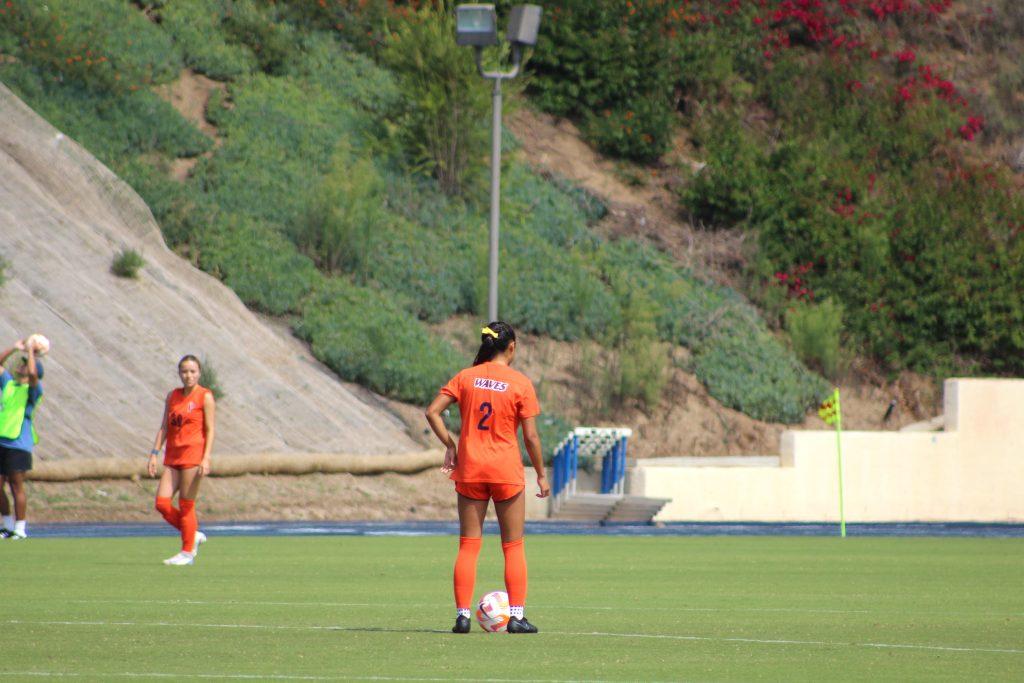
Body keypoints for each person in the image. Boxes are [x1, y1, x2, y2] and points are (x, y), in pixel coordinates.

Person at [425, 322, 550, 634]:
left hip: (470, 470)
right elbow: (532, 437)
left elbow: (432, 412)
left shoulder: (466, 376)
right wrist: (542, 474)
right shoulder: (520, 383)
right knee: (513, 546)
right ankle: (517, 617)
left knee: (469, 545)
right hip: (505, 471)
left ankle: (463, 616)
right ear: (511, 348)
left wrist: (450, 446)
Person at [147, 354, 215, 565]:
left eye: (193, 371)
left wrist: (206, 458)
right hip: (172, 457)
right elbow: (165, 427)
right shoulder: (173, 396)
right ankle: (191, 534)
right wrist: (154, 454)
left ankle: (187, 553)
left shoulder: (205, 397)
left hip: (193, 457)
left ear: (199, 373)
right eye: (184, 371)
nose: (188, 375)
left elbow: (210, 430)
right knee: (162, 503)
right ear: (179, 373)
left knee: (186, 505)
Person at [0, 338, 43, 540]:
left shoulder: (33, 390)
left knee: (16, 485)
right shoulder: (9, 384)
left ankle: (20, 528)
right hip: (1, 440)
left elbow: (34, 374)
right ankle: (7, 525)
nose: (21, 366)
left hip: (19, 443)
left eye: (24, 364)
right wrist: (14, 349)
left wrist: (32, 352)